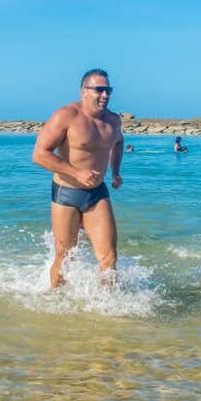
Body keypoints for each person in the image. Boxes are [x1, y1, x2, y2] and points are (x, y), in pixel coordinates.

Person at [32, 68, 123, 289]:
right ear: (84, 91)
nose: (105, 95)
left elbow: (118, 142)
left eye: (108, 90)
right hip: (67, 194)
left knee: (109, 259)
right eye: (99, 89)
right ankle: (54, 300)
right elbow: (39, 155)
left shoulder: (113, 120)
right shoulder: (66, 116)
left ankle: (107, 306)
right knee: (65, 258)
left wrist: (115, 171)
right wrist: (76, 172)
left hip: (97, 193)